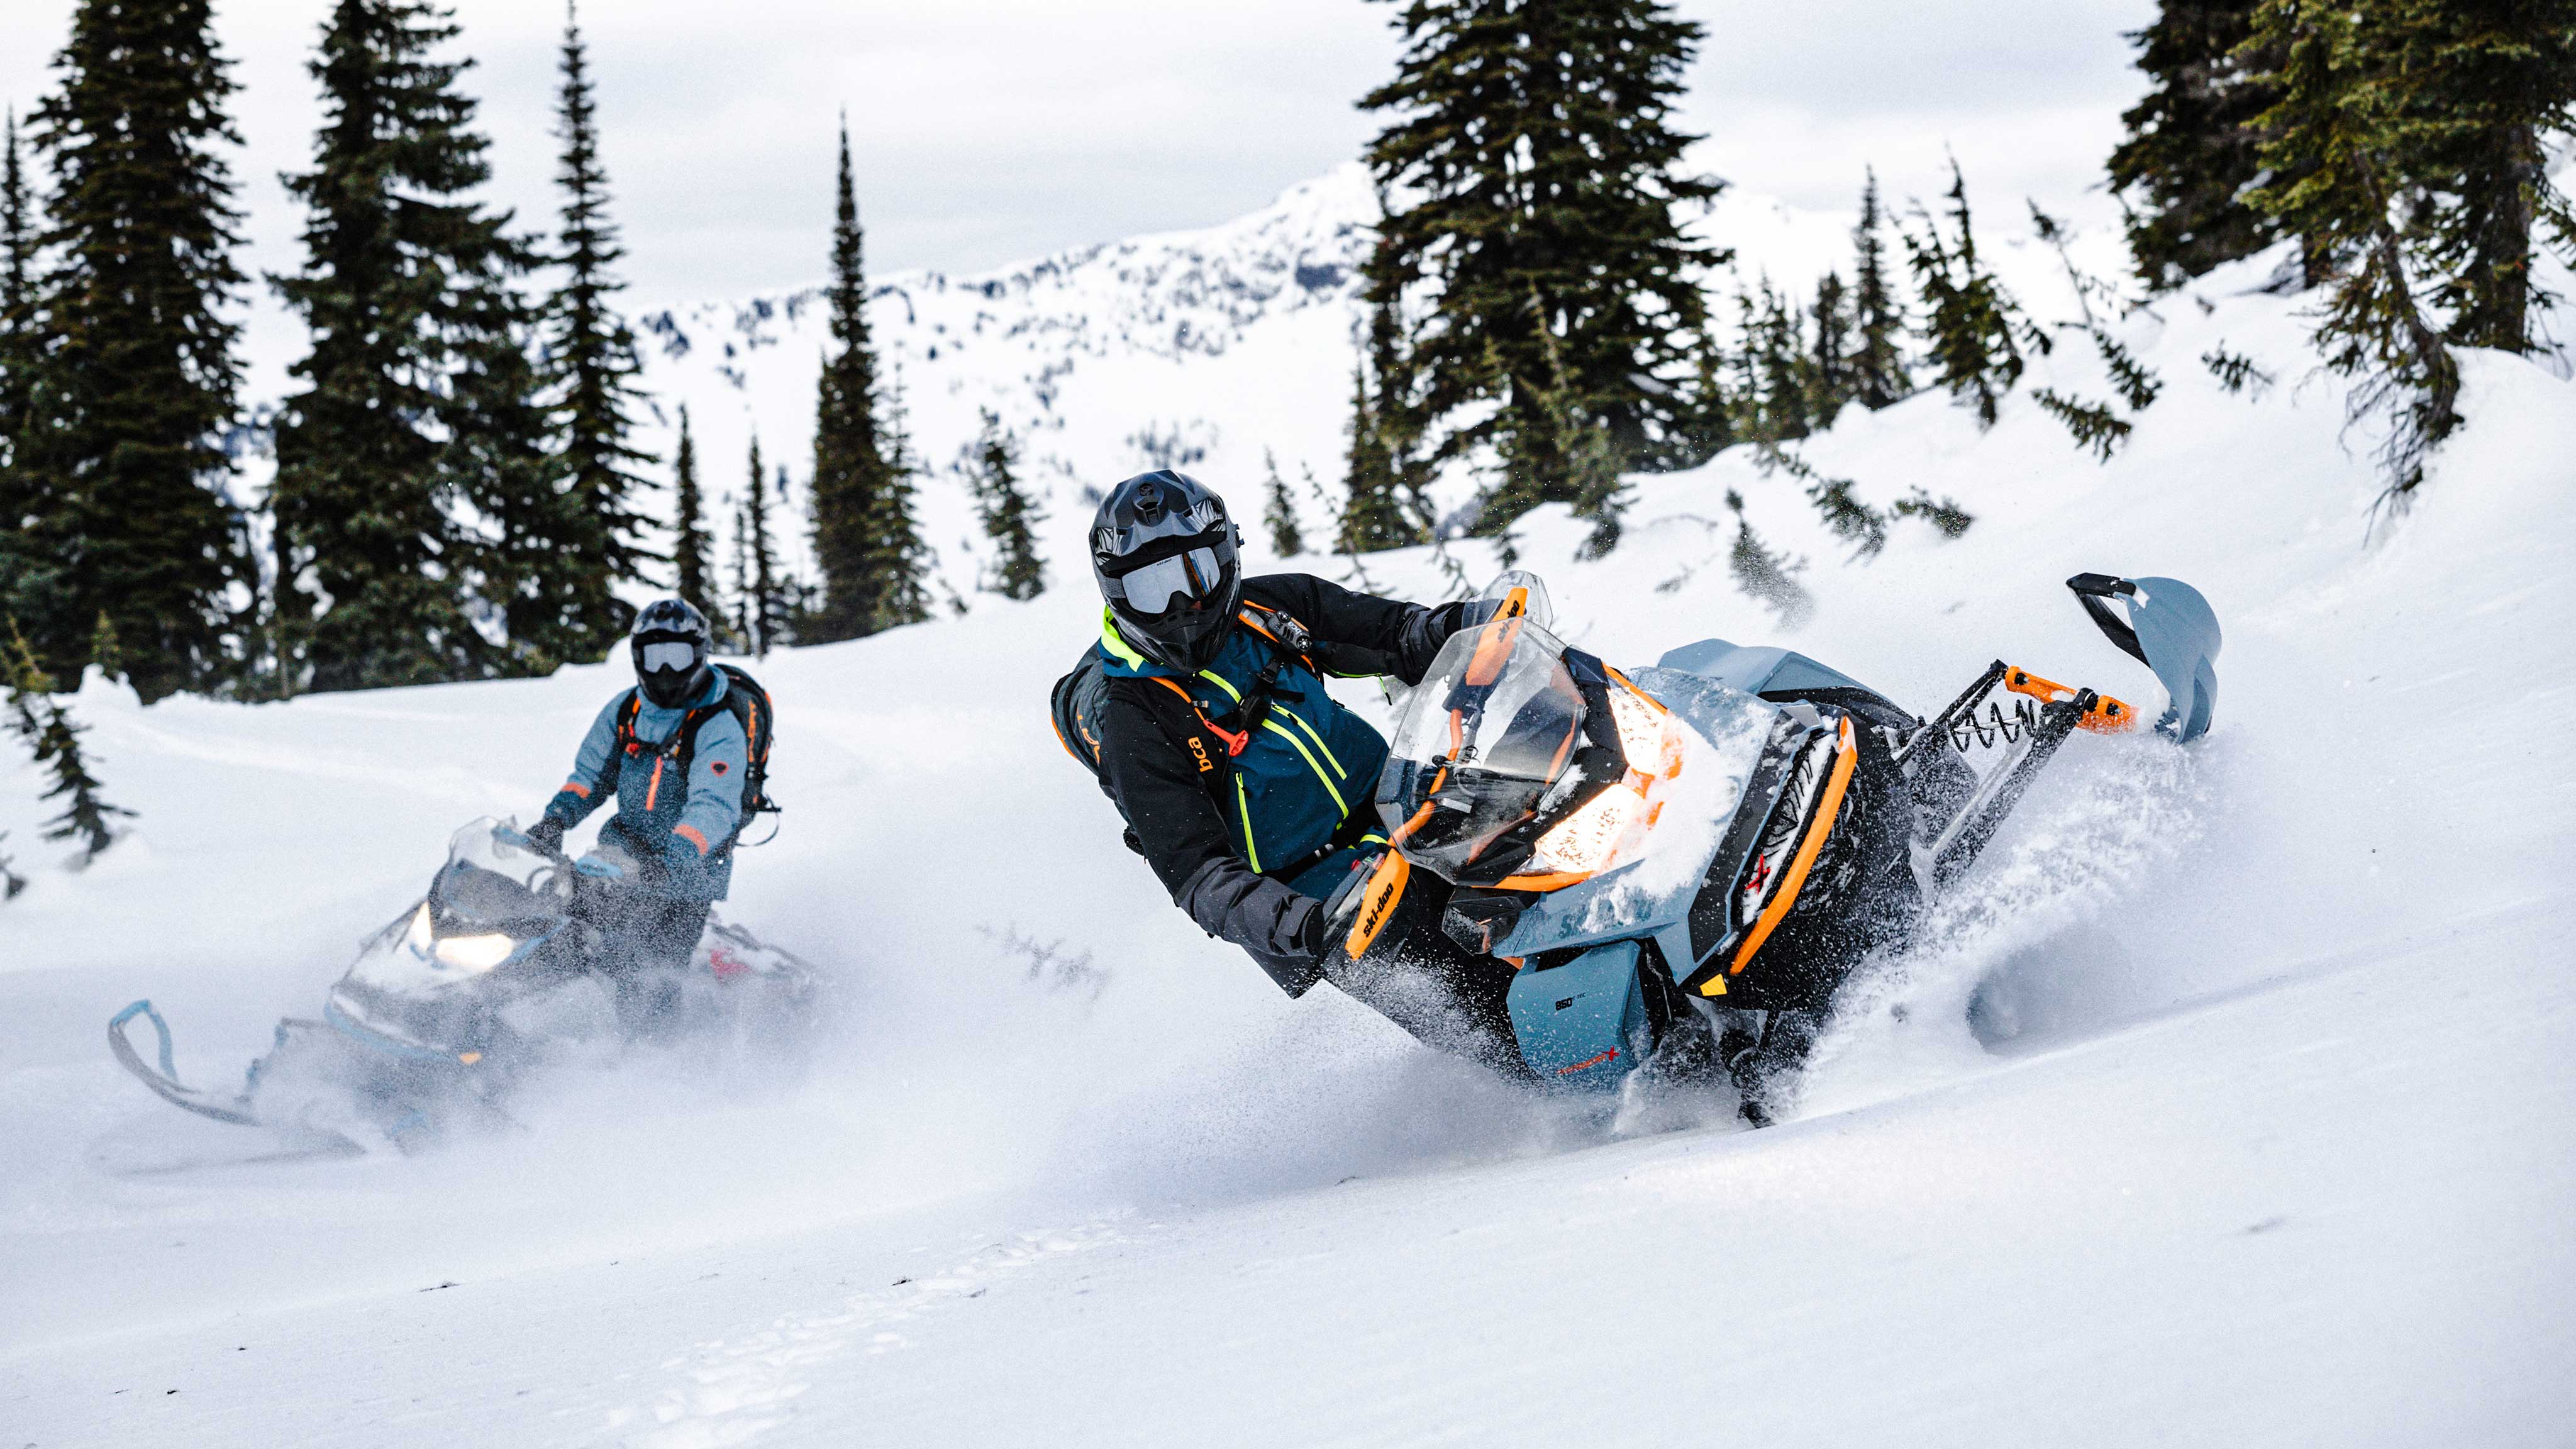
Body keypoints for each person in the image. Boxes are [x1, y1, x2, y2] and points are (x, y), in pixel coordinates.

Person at [1079, 469, 1528, 1076]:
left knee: (1552, 873)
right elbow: (1200, 876)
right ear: (1119, 594)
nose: (1183, 604)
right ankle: (1588, 1107)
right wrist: (1305, 925)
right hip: (1332, 900)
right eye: (1153, 590)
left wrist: (1459, 628)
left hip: (1406, 809)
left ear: (1226, 555)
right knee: (1491, 1014)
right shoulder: (1135, 722)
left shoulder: (1274, 606)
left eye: (1196, 574)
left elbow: (1393, 635)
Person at [523, 599, 749, 1015]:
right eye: (654, 656)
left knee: (655, 969)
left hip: (689, 872)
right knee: (567, 925)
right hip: (621, 852)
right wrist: (555, 820)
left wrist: (677, 855)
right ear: (637, 657)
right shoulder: (626, 710)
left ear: (699, 655)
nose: (666, 671)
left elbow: (714, 805)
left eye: (678, 656)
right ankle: (528, 1011)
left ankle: (656, 1058)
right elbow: (590, 775)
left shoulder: (717, 725)